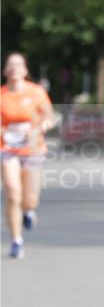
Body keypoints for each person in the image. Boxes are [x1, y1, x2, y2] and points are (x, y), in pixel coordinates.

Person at [1, 52, 57, 259]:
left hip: (33, 149)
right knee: (12, 192)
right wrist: (4, 132)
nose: (14, 68)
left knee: (30, 198)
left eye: (19, 65)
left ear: (25, 70)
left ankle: (28, 211)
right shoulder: (2, 95)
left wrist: (41, 126)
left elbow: (50, 117)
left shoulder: (36, 93)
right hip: (7, 149)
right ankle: (16, 241)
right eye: (10, 65)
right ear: (5, 70)